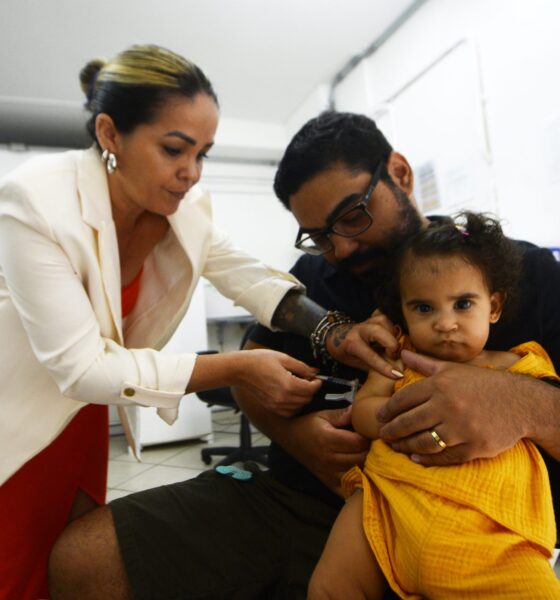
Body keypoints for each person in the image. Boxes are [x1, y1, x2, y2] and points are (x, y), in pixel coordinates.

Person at [48, 112, 560, 600]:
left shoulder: (522, 274)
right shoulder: (316, 277)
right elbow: (251, 365)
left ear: (400, 174)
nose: (341, 250)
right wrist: (298, 438)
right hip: (303, 504)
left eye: (352, 216)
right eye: (319, 236)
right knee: (84, 558)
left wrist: (520, 405)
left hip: (481, 532)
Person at [0, 46, 386, 600]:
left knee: (63, 554)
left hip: (81, 415)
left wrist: (333, 331)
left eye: (203, 153)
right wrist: (238, 367)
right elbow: (82, 367)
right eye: (174, 149)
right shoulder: (36, 200)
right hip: (17, 414)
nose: (191, 172)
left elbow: (242, 273)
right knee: (14, 567)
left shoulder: (183, 205)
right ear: (110, 134)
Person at [308, 212, 560, 599]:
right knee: (329, 587)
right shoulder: (400, 358)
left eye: (463, 304)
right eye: (424, 308)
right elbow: (364, 409)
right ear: (402, 312)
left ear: (493, 306)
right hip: (390, 504)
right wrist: (398, 419)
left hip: (490, 534)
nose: (445, 323)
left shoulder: (519, 366)